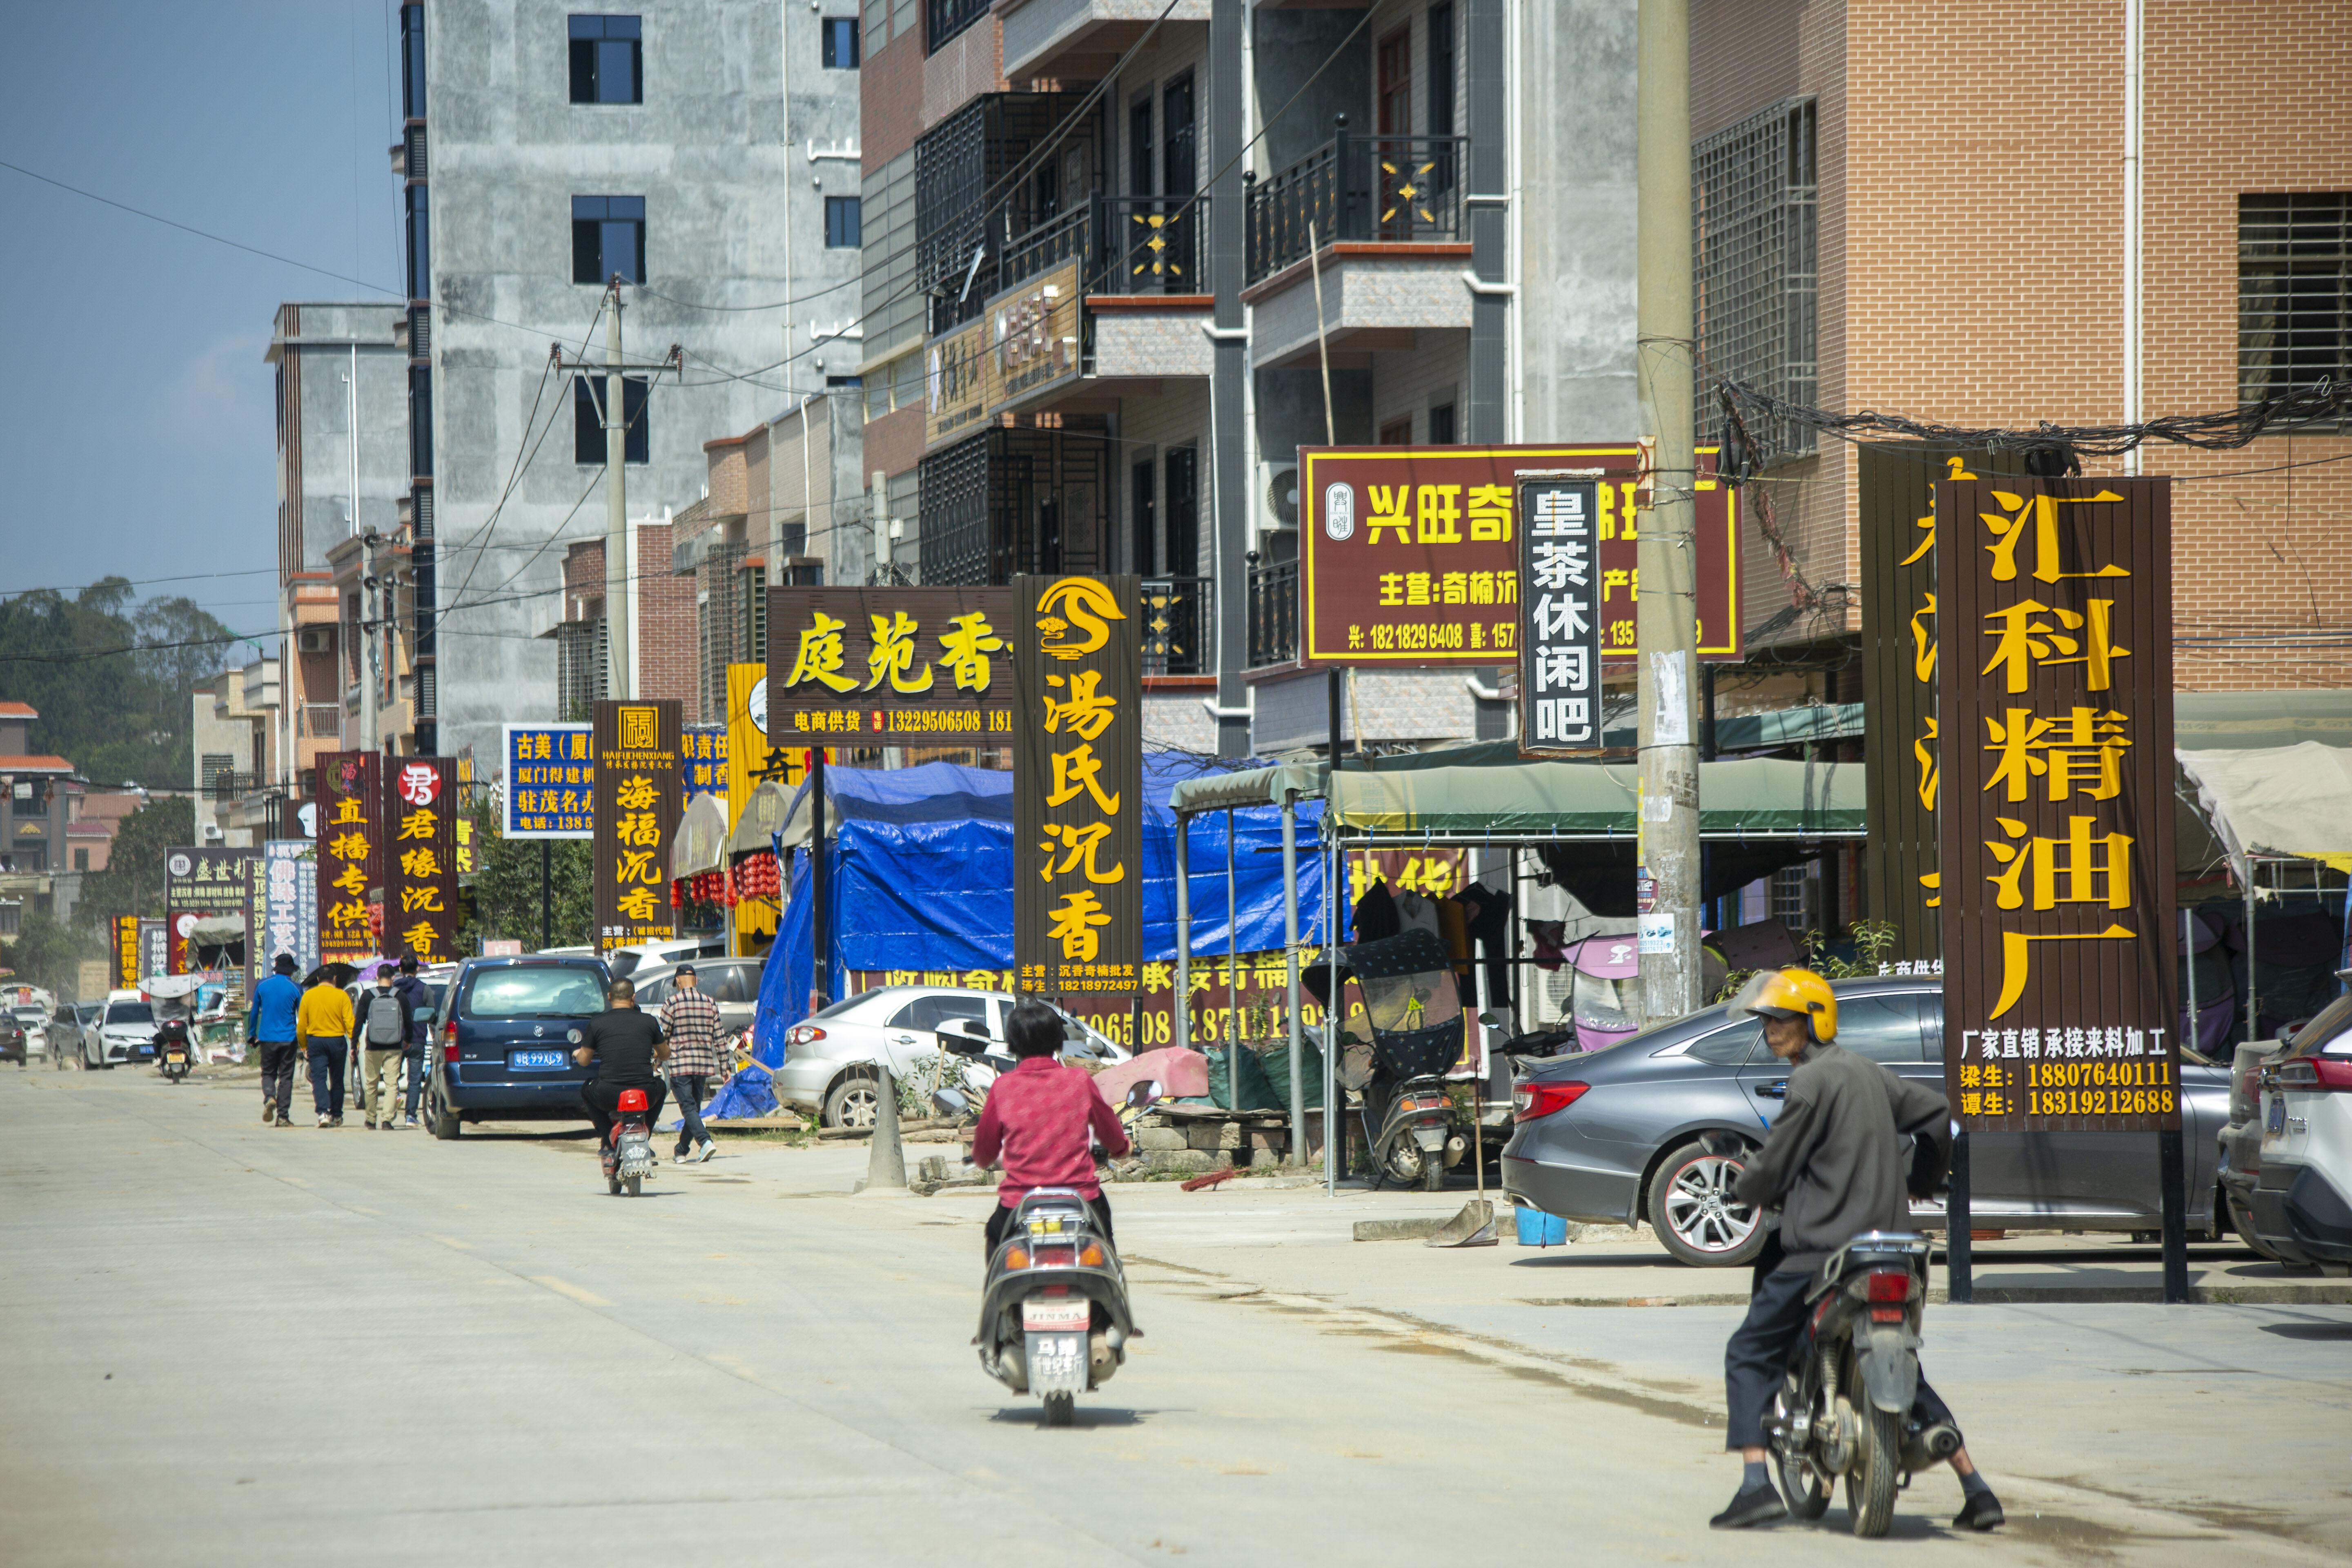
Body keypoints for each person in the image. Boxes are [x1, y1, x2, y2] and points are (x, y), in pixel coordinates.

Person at [1709, 968, 2004, 1534]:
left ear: (1814, 1021)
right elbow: (1940, 1116)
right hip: (1890, 1252)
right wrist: (1923, 1176)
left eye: (1782, 1020)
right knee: (1906, 1367)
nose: (1771, 1030)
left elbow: (1776, 1164)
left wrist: (1744, 1188)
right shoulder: (1871, 1074)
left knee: (1749, 1352)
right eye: (1767, 1020)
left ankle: (1754, 1486)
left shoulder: (1810, 1083)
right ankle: (1976, 1486)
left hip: (1819, 1254)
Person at [970, 1000, 1129, 1258]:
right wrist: (1123, 1148)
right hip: (1081, 1200)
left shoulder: (1003, 1087)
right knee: (1104, 1247)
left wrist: (980, 1158)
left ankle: (1000, 1298)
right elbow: (1111, 1134)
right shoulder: (1079, 1080)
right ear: (1059, 1041)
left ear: (1012, 1045)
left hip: (1020, 1203)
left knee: (995, 1236)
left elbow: (984, 1152)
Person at [571, 977, 668, 1151]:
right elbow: (665, 1054)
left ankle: (608, 1138)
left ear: (609, 997)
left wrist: (578, 1054)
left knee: (586, 1090)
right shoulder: (649, 1022)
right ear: (633, 998)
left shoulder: (597, 1023)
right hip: (644, 1093)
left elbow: (584, 1061)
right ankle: (646, 1134)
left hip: (609, 1094)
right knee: (661, 1086)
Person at [658, 964, 722, 1163]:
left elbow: (663, 1037)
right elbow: (719, 1038)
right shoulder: (711, 1003)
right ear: (695, 980)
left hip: (680, 1065)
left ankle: (705, 1142)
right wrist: (726, 1068)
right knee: (693, 1108)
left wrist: (656, 1061)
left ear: (678, 981)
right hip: (702, 1065)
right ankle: (682, 1150)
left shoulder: (672, 1003)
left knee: (688, 1107)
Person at [247, 953, 303, 1127]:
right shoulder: (296, 988)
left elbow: (255, 1011)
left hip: (267, 1038)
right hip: (289, 1038)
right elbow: (301, 1015)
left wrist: (251, 1034)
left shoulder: (262, 985)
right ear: (291, 971)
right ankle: (283, 1117)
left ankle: (270, 1096)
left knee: (269, 1073)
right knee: (286, 1077)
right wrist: (303, 1039)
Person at [356, 968, 417, 1131]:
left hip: (373, 1046)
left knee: (371, 1084)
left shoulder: (368, 996)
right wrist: (408, 1040)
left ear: (377, 977)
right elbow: (409, 1022)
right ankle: (387, 1120)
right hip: (394, 1046)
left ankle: (370, 1120)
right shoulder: (400, 996)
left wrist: (354, 1042)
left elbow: (359, 1022)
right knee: (392, 1085)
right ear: (393, 977)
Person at [296, 968, 356, 1128]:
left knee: (319, 1079)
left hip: (316, 1042)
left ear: (318, 978)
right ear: (335, 978)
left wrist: (303, 1045)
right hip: (337, 1041)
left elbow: (301, 1026)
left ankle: (323, 1113)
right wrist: (354, 1043)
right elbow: (350, 1023)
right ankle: (337, 1114)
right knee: (337, 1079)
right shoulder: (342, 996)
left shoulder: (308, 996)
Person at [393, 956, 434, 1129]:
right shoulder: (425, 990)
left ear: (401, 970)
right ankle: (411, 1116)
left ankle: (394, 1097)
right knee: (415, 1081)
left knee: (391, 1076)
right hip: (417, 1040)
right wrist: (434, 1034)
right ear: (418, 969)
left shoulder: (394, 990)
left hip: (396, 1040)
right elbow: (432, 1014)